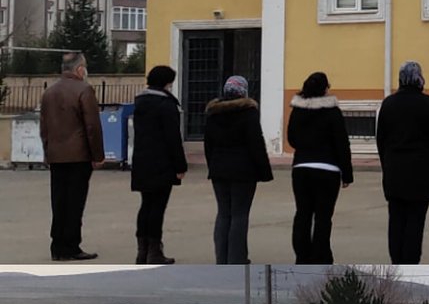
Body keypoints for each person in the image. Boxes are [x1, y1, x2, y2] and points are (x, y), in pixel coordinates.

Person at [375, 61, 429, 264]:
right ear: (419, 78)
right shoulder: (427, 103)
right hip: (419, 172)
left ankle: (396, 258)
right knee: (416, 220)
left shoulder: (388, 103)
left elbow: (380, 137)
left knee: (396, 218)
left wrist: (386, 162)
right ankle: (411, 259)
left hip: (394, 170)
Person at [39, 51, 104, 261]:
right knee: (75, 201)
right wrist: (98, 154)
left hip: (56, 155)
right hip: (79, 155)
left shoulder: (50, 91)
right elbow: (92, 126)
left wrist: (47, 151)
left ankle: (57, 244)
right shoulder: (84, 90)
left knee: (58, 201)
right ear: (79, 69)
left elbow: (44, 126)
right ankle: (71, 245)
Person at [203, 76, 273, 265]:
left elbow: (207, 144)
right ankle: (237, 258)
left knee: (223, 213)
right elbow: (255, 143)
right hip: (244, 171)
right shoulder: (248, 113)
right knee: (240, 214)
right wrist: (264, 172)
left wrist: (213, 165)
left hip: (219, 170)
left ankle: (222, 257)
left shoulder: (213, 113)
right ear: (244, 92)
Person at [286, 72, 353, 264]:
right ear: (324, 89)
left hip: (301, 168)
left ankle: (302, 255)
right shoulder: (332, 111)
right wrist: (346, 174)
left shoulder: (297, 110)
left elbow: (291, 139)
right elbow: (342, 143)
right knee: (323, 216)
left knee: (303, 213)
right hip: (328, 169)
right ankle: (320, 255)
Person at [130, 64, 187, 265]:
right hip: (162, 162)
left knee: (146, 205)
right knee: (157, 207)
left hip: (142, 161)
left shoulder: (140, 102)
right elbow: (173, 138)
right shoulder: (166, 105)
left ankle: (142, 250)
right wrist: (180, 166)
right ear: (166, 82)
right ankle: (154, 251)